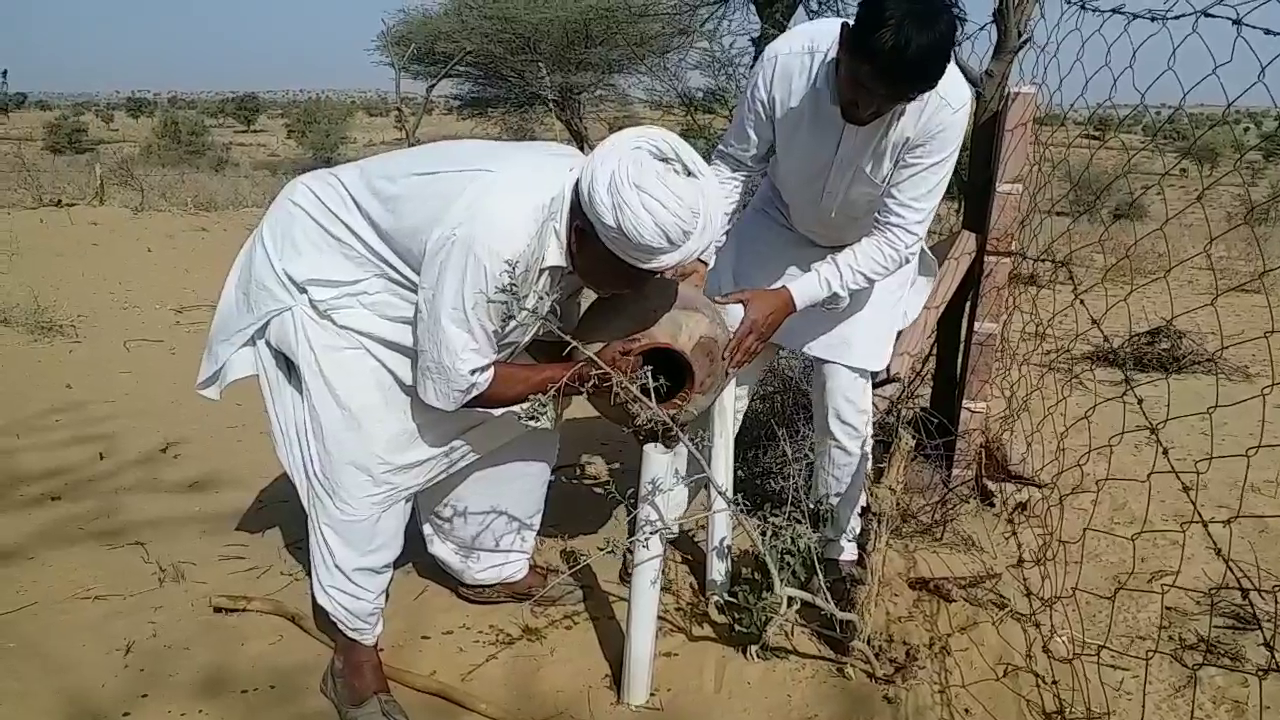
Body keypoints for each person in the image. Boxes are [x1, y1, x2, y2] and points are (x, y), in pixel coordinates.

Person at [195, 125, 718, 720]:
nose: (641, 285)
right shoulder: (494, 233)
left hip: (437, 278)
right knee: (370, 459)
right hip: (340, 281)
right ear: (580, 237)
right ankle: (353, 655)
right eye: (632, 274)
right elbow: (455, 386)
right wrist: (573, 376)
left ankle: (484, 561)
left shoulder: (605, 205)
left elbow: (530, 340)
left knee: (524, 415)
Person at [687, 2, 971, 601]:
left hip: (865, 254)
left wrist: (791, 297)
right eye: (860, 86)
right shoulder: (789, 61)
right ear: (844, 46)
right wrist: (700, 254)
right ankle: (681, 506)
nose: (865, 109)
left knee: (844, 403)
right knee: (725, 374)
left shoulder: (945, 105)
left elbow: (896, 236)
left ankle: (838, 551)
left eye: (885, 103)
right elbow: (736, 165)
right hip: (778, 226)